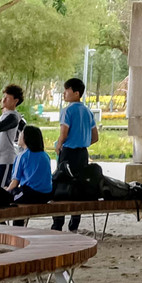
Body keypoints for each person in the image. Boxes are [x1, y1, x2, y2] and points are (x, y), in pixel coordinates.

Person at [51, 78, 97, 233]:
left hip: (68, 153)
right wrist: (82, 141)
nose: (64, 93)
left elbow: (63, 134)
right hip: (83, 153)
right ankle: (74, 224)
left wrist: (58, 146)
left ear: (76, 93)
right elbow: (95, 137)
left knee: (61, 185)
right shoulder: (88, 111)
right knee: (79, 187)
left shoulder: (68, 111)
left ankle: (58, 223)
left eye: (67, 90)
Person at [4, 126, 56, 217]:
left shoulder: (22, 156)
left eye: (21, 134)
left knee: (6, 197)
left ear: (26, 138)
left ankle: (18, 228)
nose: (19, 135)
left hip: (31, 194)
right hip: (47, 194)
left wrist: (6, 191)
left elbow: (15, 183)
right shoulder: (45, 155)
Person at [0, 85, 24, 192]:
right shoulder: (2, 117)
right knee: (0, 189)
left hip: (5, 160)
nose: (3, 100)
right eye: (4, 97)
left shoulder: (13, 117)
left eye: (7, 98)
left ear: (15, 101)